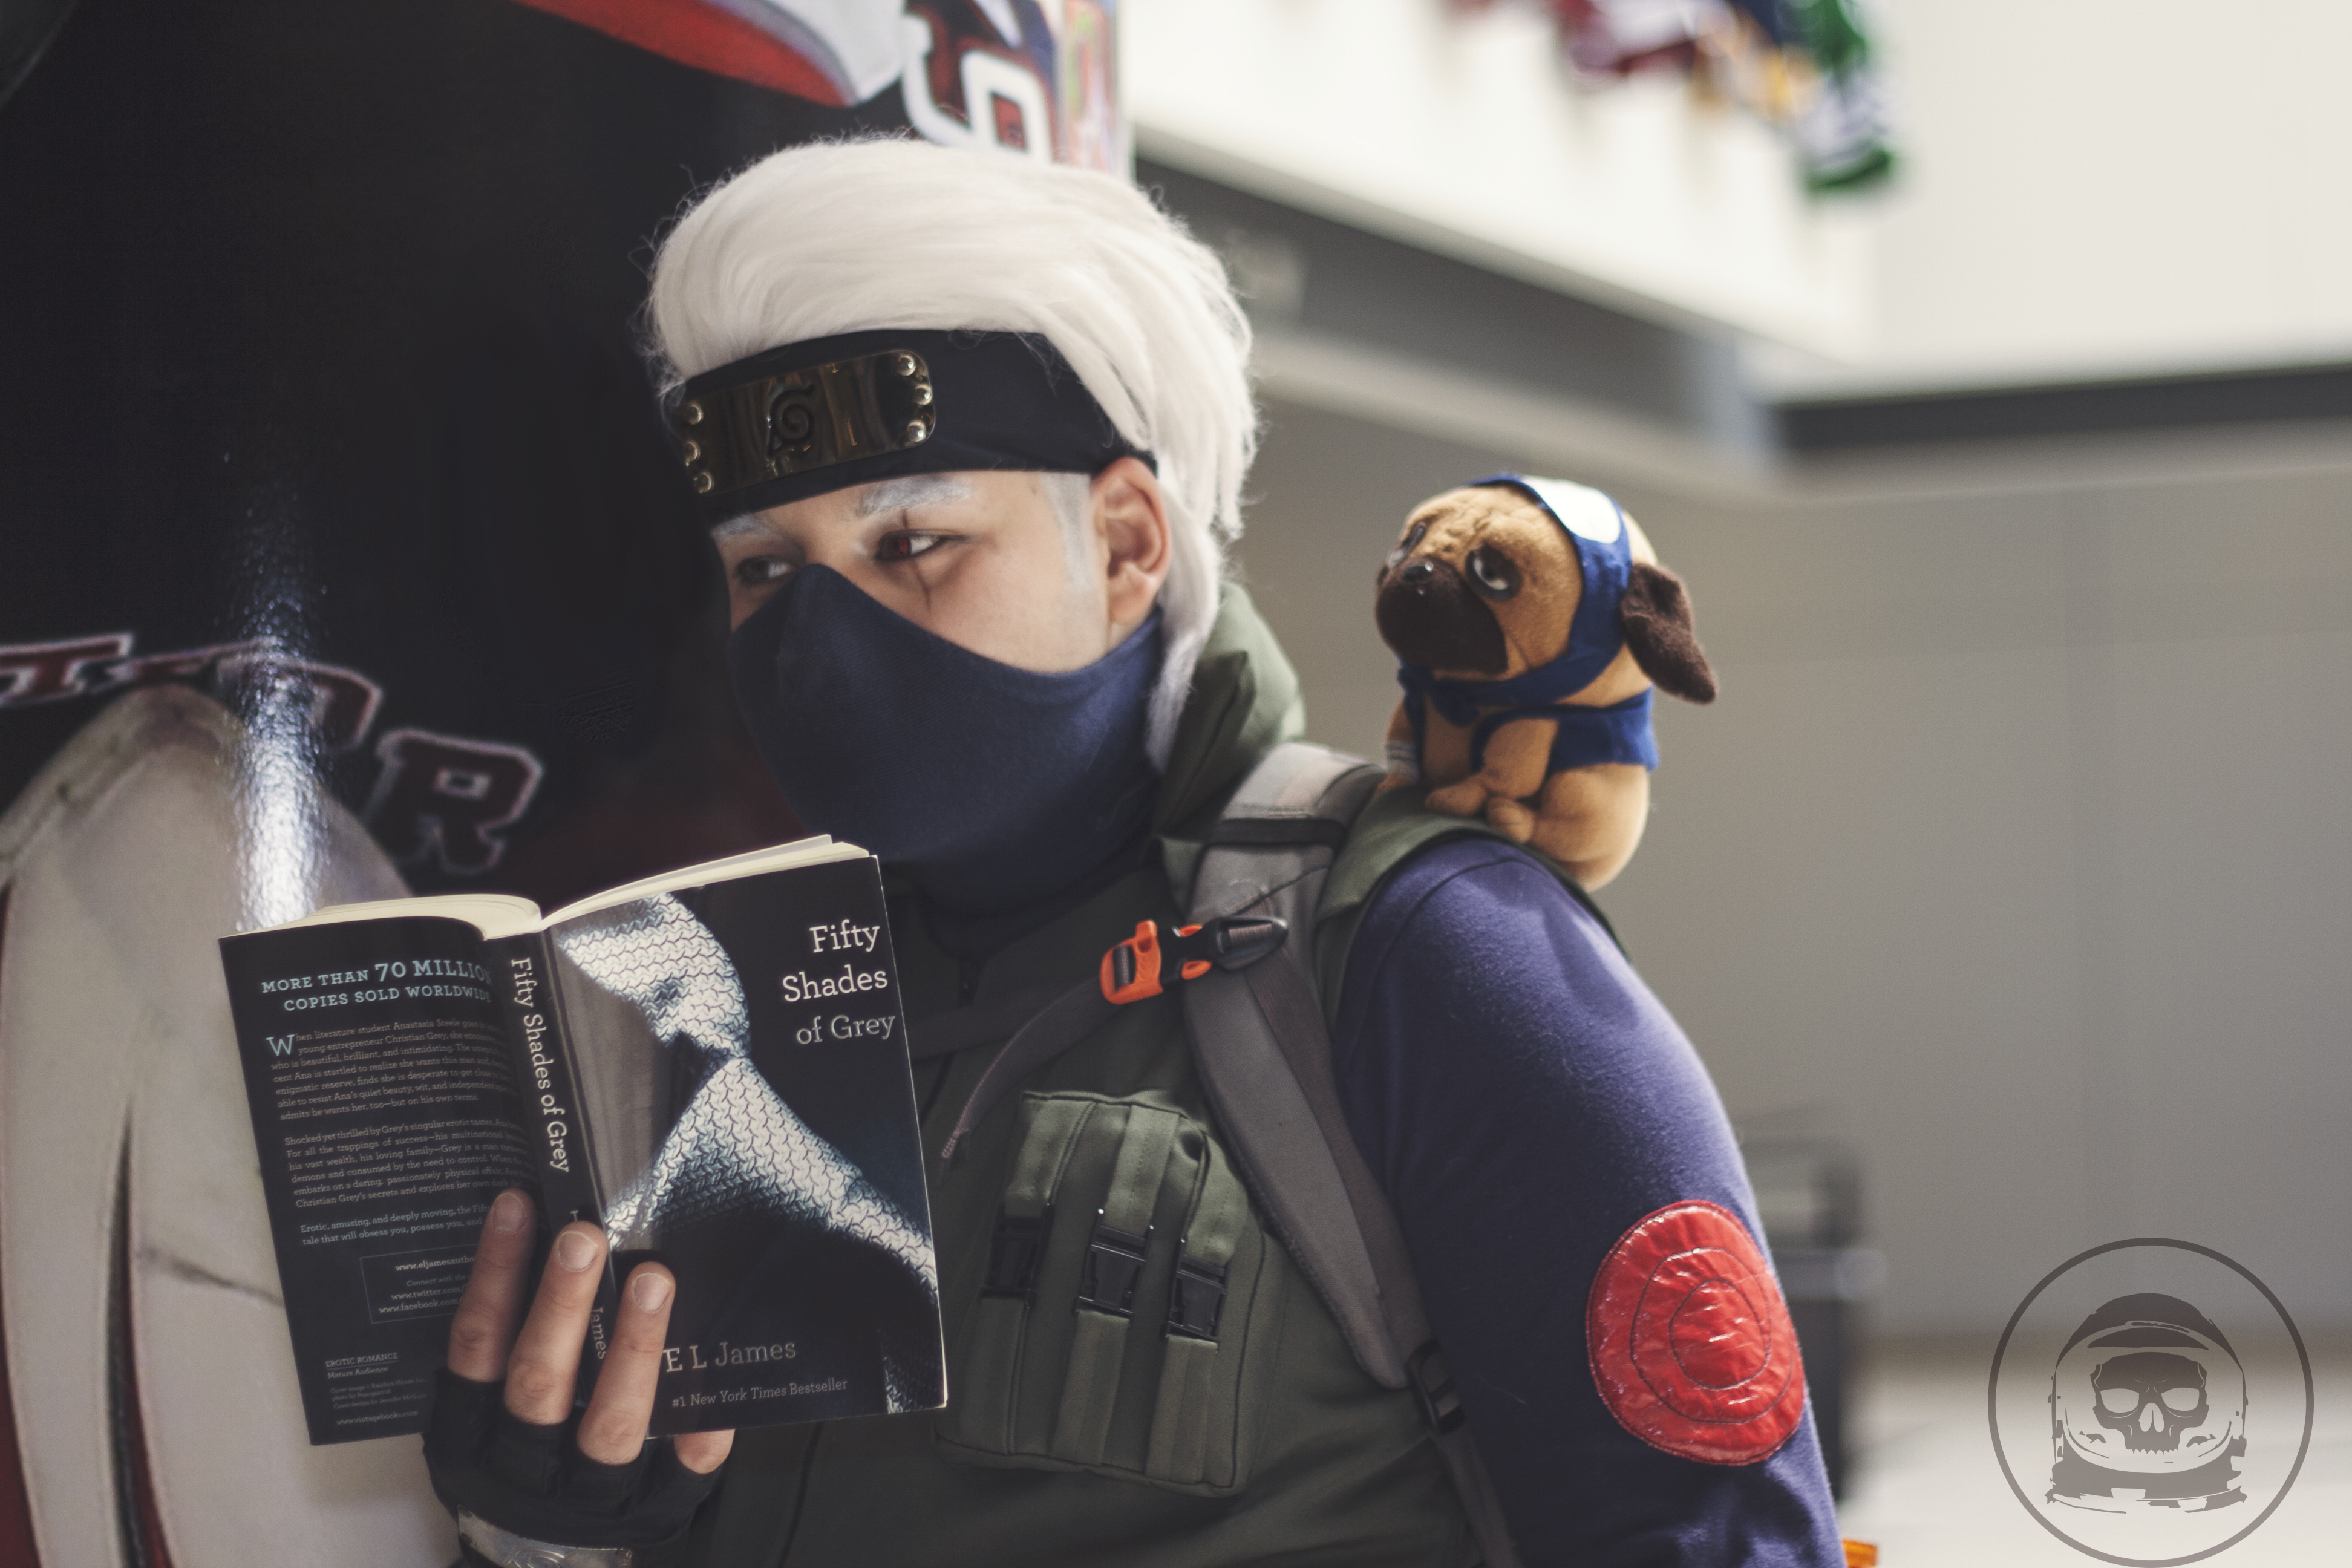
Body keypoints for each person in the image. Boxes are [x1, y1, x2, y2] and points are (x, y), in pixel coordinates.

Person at [423, 136, 1845, 1567]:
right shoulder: (719, 1005)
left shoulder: (1430, 951)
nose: (820, 641)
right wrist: (560, 1532)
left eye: (912, 544)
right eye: (766, 569)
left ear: (1122, 544)